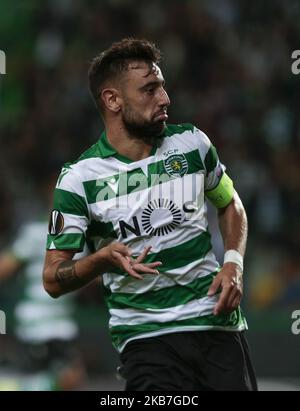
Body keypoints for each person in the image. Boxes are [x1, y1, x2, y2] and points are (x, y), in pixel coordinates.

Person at [43, 38, 258, 391]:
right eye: (149, 89)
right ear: (112, 100)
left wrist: (233, 262)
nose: (164, 99)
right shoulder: (79, 180)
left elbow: (230, 203)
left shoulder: (192, 144)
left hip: (216, 326)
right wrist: (99, 260)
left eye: (162, 86)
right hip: (146, 340)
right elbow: (52, 278)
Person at [0, 179, 85, 390]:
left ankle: (11, 385)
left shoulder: (80, 235)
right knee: (67, 378)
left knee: (67, 379)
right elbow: (5, 267)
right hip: (38, 322)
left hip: (62, 321)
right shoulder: (35, 232)